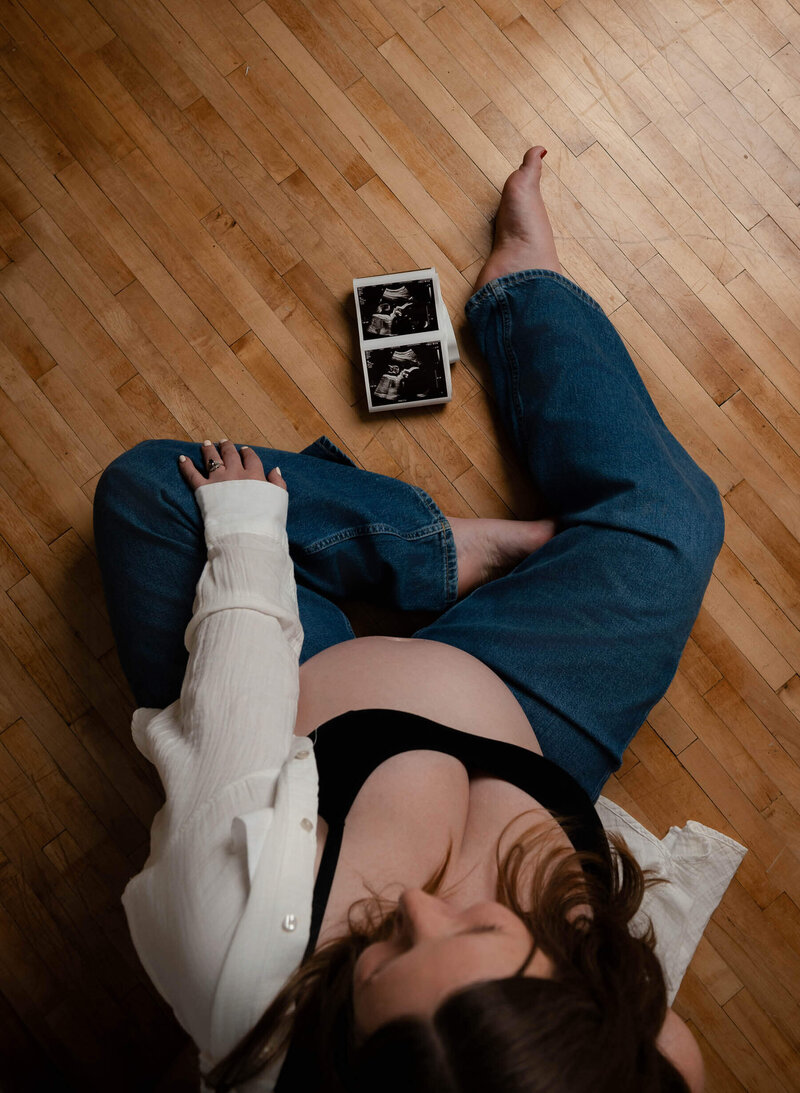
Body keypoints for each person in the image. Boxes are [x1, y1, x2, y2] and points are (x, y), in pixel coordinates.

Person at [93, 147, 721, 1092]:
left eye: (382, 960)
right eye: (480, 928)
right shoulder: (650, 1058)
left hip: (293, 692)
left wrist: (250, 530)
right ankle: (525, 294)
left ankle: (425, 553)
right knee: (672, 524)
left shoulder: (230, 944)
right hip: (525, 722)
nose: (417, 910)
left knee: (159, 494)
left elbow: (234, 695)